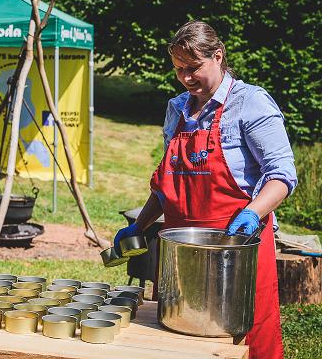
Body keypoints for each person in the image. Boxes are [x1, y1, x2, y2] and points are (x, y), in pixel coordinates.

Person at [114, 20, 297, 359]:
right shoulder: (177, 108)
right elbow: (166, 185)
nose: (186, 78)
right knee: (177, 337)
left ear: (218, 55)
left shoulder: (250, 103)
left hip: (236, 249)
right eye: (179, 69)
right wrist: (138, 226)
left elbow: (282, 175)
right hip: (180, 257)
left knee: (244, 340)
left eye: (194, 67)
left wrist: (252, 212)